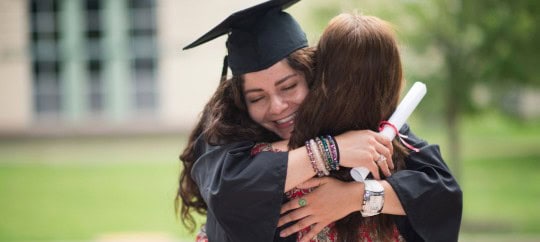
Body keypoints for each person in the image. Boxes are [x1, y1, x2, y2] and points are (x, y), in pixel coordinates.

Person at [177, 0, 462, 241]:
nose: (277, 107)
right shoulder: (225, 128)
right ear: (240, 100)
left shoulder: (356, 118)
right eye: (256, 97)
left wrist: (356, 196)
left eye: (289, 87)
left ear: (313, 76)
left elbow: (440, 192)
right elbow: (229, 190)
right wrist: (331, 151)